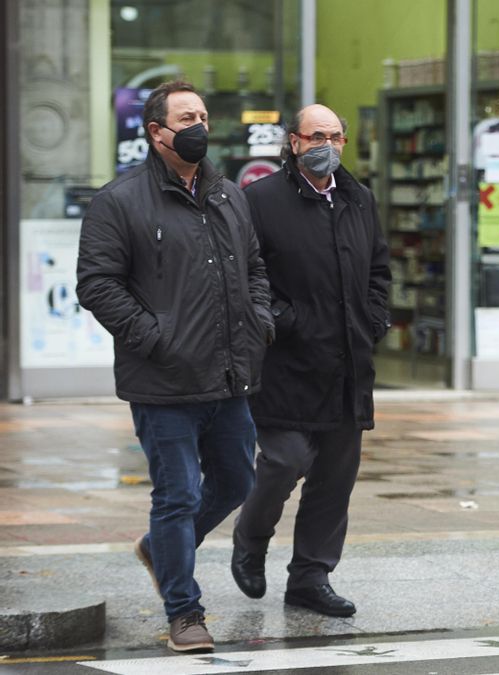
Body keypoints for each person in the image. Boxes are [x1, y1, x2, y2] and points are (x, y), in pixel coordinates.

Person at [76, 80, 273, 653]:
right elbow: (97, 284)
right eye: (187, 117)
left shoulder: (230, 195)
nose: (200, 127)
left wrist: (260, 322)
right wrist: (155, 337)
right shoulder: (120, 200)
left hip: (230, 375)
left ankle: (160, 547)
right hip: (162, 382)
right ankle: (184, 613)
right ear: (157, 131)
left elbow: (255, 267)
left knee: (237, 481)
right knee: (178, 496)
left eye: (204, 116)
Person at [230, 104, 392, 618]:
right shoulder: (259, 200)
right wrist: (285, 321)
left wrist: (374, 320)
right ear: (293, 142)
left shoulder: (359, 199)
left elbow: (379, 269)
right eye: (316, 135)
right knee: (283, 462)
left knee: (335, 478)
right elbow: (243, 280)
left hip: (348, 363)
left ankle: (310, 576)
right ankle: (250, 540)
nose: (328, 145)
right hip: (286, 365)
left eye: (336, 136)